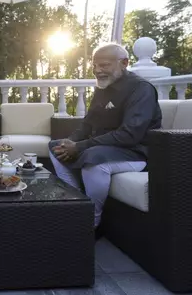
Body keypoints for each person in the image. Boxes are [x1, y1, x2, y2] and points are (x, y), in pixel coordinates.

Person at [48, 43, 162, 238]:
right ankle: (78, 204)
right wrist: (70, 142)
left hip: (136, 151)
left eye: (105, 65)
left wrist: (81, 146)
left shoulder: (141, 89)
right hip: (106, 147)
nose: (98, 71)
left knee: (94, 158)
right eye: (95, 66)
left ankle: (92, 222)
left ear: (124, 63)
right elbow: (87, 125)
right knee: (55, 146)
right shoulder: (103, 88)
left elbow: (130, 134)